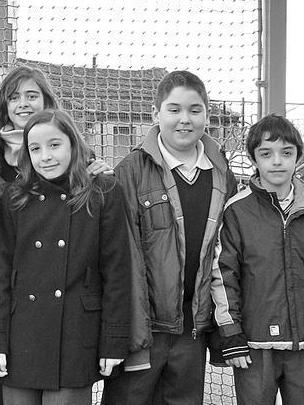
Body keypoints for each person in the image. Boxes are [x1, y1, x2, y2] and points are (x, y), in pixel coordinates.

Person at [102, 71, 238, 405]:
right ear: (156, 114)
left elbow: (226, 256)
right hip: (142, 326)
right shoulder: (131, 170)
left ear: (207, 114)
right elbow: (120, 257)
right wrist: (124, 327)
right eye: (174, 109)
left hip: (193, 326)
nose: (184, 119)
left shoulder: (223, 173)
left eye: (194, 110)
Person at [0, 109, 131, 405]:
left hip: (75, 337)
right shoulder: (14, 197)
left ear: (73, 145)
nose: (45, 156)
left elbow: (117, 274)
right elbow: (1, 272)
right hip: (21, 337)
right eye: (35, 149)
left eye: (54, 145)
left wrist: (113, 342)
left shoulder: (103, 192)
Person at [211, 114, 304, 404]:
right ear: (254, 158)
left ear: (297, 156)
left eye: (286, 153)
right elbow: (223, 275)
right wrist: (231, 334)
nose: (277, 161)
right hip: (254, 344)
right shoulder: (237, 211)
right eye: (266, 153)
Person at [0, 64, 111, 187]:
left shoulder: (78, 153)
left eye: (32, 96)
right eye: (14, 98)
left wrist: (102, 176)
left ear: (46, 101)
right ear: (5, 105)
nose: (23, 104)